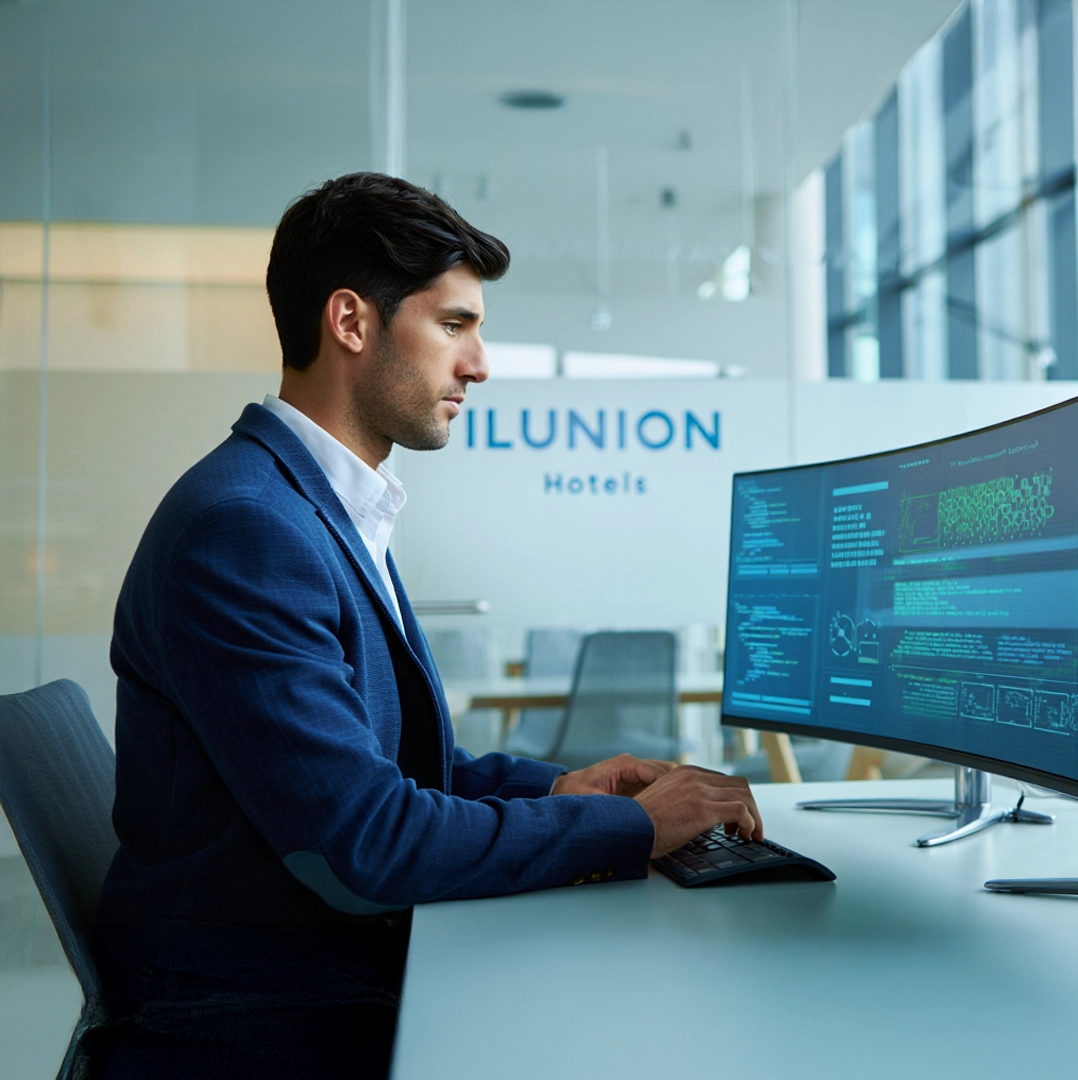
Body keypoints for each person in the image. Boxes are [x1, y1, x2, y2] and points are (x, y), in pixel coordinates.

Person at [91, 172, 762, 1078]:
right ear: (352, 323)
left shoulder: (315, 507)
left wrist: (565, 791)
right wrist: (637, 829)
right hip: (262, 1016)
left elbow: (393, 772)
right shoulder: (244, 527)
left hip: (322, 969)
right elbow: (369, 841)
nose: (480, 364)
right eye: (454, 325)